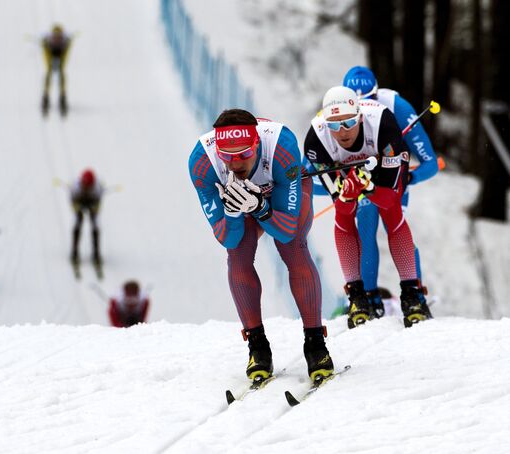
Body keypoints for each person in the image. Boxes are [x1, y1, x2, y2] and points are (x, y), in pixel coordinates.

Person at [188, 108, 334, 383]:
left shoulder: (281, 146)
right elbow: (226, 239)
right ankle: (258, 347)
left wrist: (260, 207)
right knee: (238, 256)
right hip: (242, 203)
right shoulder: (202, 163)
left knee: (293, 248)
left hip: (279, 190)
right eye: (227, 157)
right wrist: (232, 211)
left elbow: (287, 230)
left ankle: (316, 345)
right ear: (218, 152)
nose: (235, 164)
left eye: (244, 154)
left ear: (257, 145)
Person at [303, 86, 431, 329]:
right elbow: (341, 209)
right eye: (334, 125)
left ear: (360, 117)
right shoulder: (316, 140)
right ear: (325, 123)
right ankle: (357, 297)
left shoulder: (383, 122)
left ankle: (412, 293)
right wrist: (349, 194)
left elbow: (390, 199)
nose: (342, 132)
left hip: (382, 161)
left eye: (349, 122)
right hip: (343, 169)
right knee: (344, 217)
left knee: (391, 214)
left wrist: (370, 188)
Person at [342, 66, 439, 318]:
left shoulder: (399, 108)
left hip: (393, 177)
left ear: (377, 95)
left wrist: (408, 177)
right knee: (365, 225)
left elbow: (430, 163)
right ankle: (368, 298)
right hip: (363, 178)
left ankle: (414, 294)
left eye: (370, 102)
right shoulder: (334, 114)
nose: (364, 114)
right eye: (355, 109)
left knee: (394, 225)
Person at [70, 169, 103, 266]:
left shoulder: (98, 188)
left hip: (92, 202)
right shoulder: (75, 187)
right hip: (79, 202)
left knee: (95, 227)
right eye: (85, 186)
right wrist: (76, 208)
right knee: (78, 224)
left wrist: (95, 209)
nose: (87, 188)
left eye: (89, 186)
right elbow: (71, 200)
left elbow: (99, 202)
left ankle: (96, 253)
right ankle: (74, 252)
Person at [41, 24, 71, 115]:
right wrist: (44, 45)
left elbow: (65, 56)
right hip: (51, 59)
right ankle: (46, 97)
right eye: (55, 37)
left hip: (60, 59)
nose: (57, 39)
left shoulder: (65, 44)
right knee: (49, 75)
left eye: (59, 37)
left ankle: (62, 97)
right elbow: (46, 56)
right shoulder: (48, 44)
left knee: (61, 75)